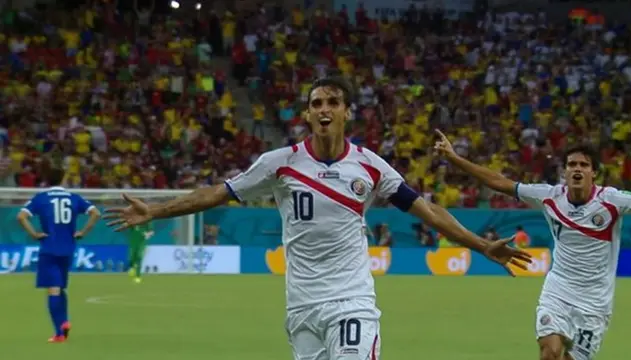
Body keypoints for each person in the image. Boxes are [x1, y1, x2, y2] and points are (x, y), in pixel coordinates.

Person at [105, 77, 532, 360]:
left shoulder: (371, 167)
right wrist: (156, 211)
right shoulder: (280, 163)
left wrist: (480, 245)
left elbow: (428, 211)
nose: (324, 109)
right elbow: (219, 191)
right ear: (307, 115)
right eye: (316, 103)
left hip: (352, 304)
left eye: (332, 102)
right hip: (301, 309)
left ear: (346, 112)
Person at [434, 130, 631, 360]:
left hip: (595, 304)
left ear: (594, 173)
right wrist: (454, 158)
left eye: (584, 164)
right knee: (549, 353)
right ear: (564, 171)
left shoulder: (612, 200)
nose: (577, 169)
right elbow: (499, 182)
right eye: (572, 165)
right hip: (558, 292)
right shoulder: (549, 196)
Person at [16, 168, 101, 343]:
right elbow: (96, 213)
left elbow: (21, 216)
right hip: (68, 249)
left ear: (47, 180)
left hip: (49, 249)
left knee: (53, 289)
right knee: (60, 287)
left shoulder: (41, 198)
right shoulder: (74, 198)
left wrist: (34, 234)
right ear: (63, 178)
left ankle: (59, 331)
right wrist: (83, 232)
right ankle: (64, 321)